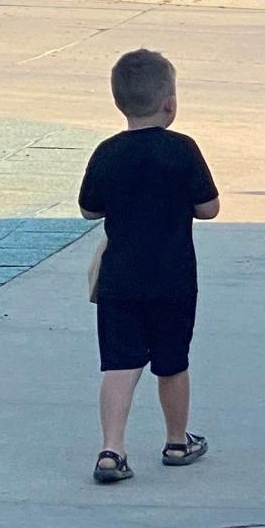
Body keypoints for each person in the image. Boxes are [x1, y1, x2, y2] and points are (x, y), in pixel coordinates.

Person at [78, 48, 220, 484]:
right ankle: (177, 440)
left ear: (119, 101)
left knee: (119, 364)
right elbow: (209, 208)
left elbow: (89, 209)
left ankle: (111, 449)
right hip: (173, 279)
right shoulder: (183, 150)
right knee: (172, 362)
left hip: (120, 280)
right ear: (170, 103)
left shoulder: (108, 152)